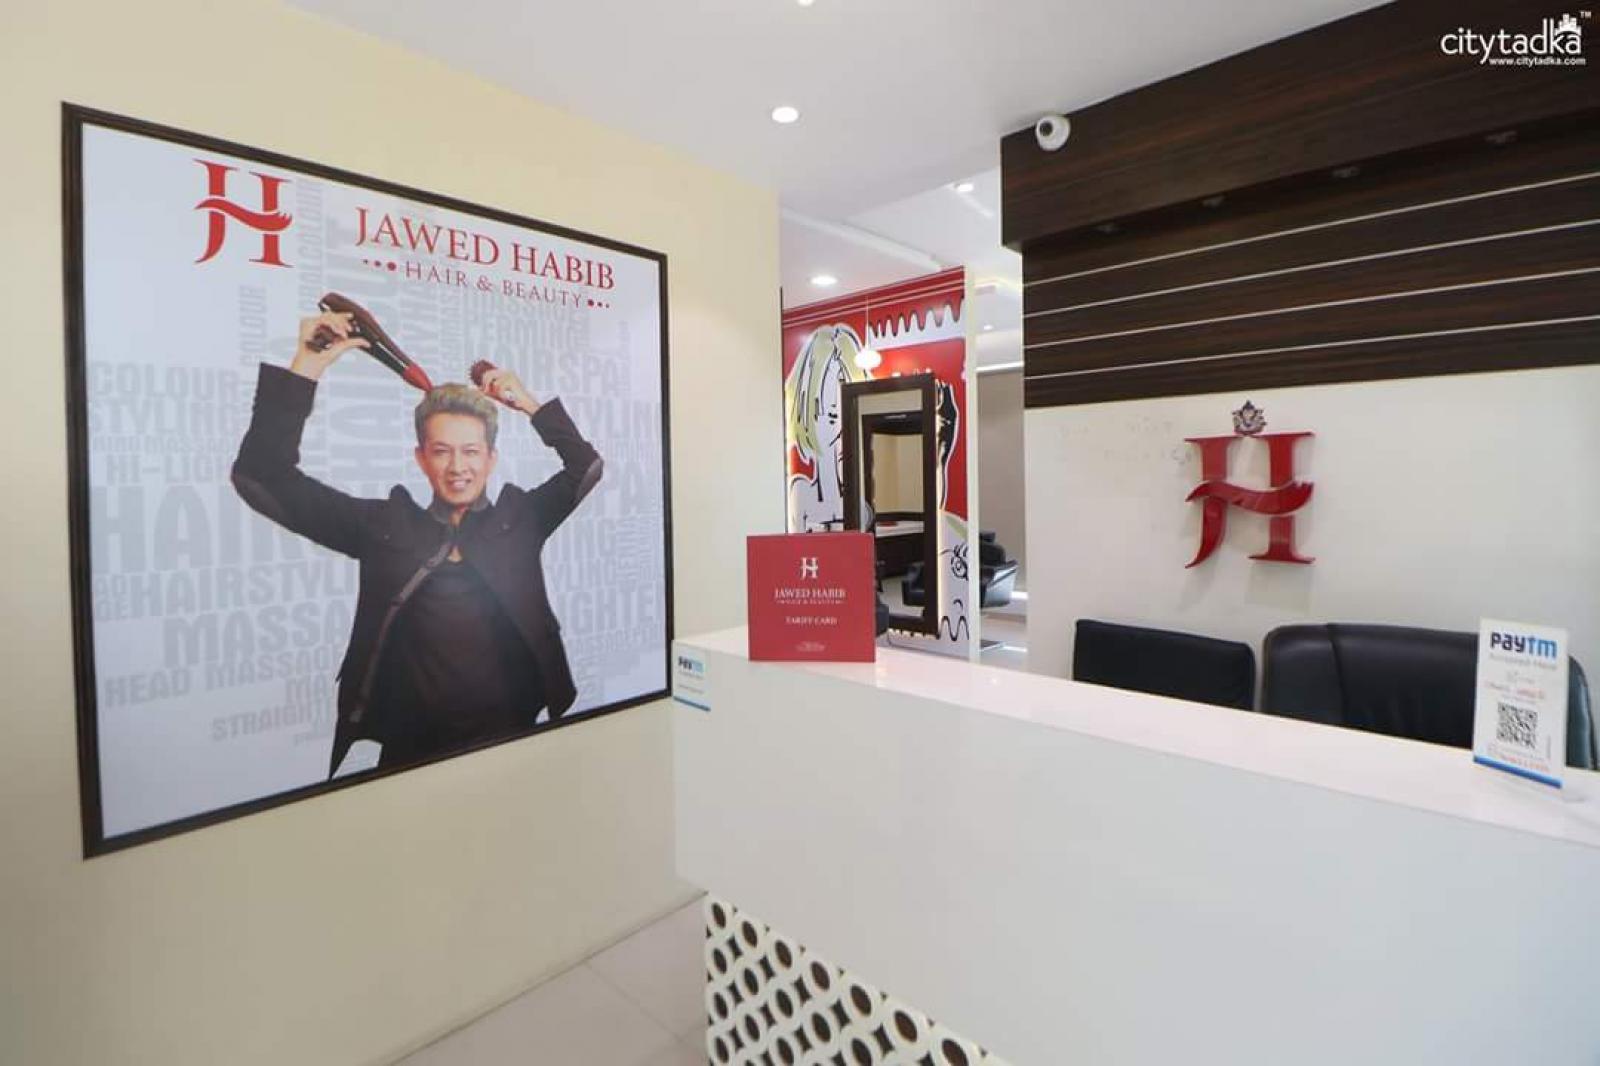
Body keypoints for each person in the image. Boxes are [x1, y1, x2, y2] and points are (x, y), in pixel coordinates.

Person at [232, 309, 602, 774]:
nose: (458, 467)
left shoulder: (522, 518)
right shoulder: (382, 527)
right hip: (410, 756)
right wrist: (306, 365)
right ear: (421, 459)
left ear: (490, 459)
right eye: (441, 452)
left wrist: (528, 403)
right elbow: (262, 478)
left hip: (515, 743)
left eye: (471, 452)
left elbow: (585, 467)